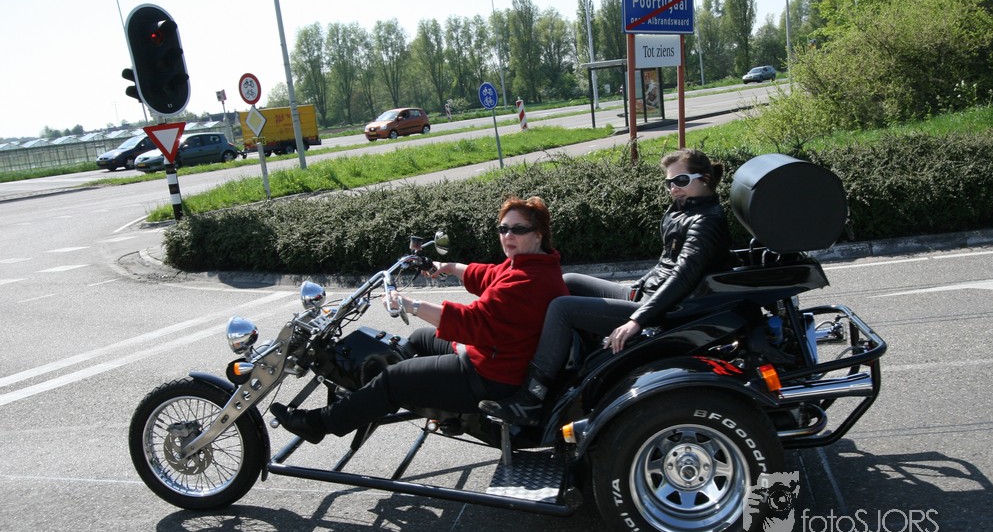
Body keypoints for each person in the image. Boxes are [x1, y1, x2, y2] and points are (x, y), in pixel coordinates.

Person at [271, 196, 569, 444]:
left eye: (518, 229)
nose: (508, 236)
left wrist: (409, 304)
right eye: (503, 228)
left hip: (492, 377)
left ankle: (320, 424)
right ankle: (401, 405)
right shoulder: (531, 266)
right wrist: (445, 266)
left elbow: (471, 322)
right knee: (418, 339)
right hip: (496, 357)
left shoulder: (528, 281)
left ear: (538, 234)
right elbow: (489, 275)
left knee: (394, 378)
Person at [479, 148, 733, 426]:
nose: (673, 189)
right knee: (569, 281)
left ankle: (533, 397)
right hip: (645, 295)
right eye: (669, 182)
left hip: (662, 310)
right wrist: (638, 286)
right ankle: (564, 359)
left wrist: (637, 320)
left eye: (681, 181)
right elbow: (665, 264)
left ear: (705, 179)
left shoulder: (706, 222)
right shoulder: (685, 209)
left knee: (562, 308)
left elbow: (682, 277)